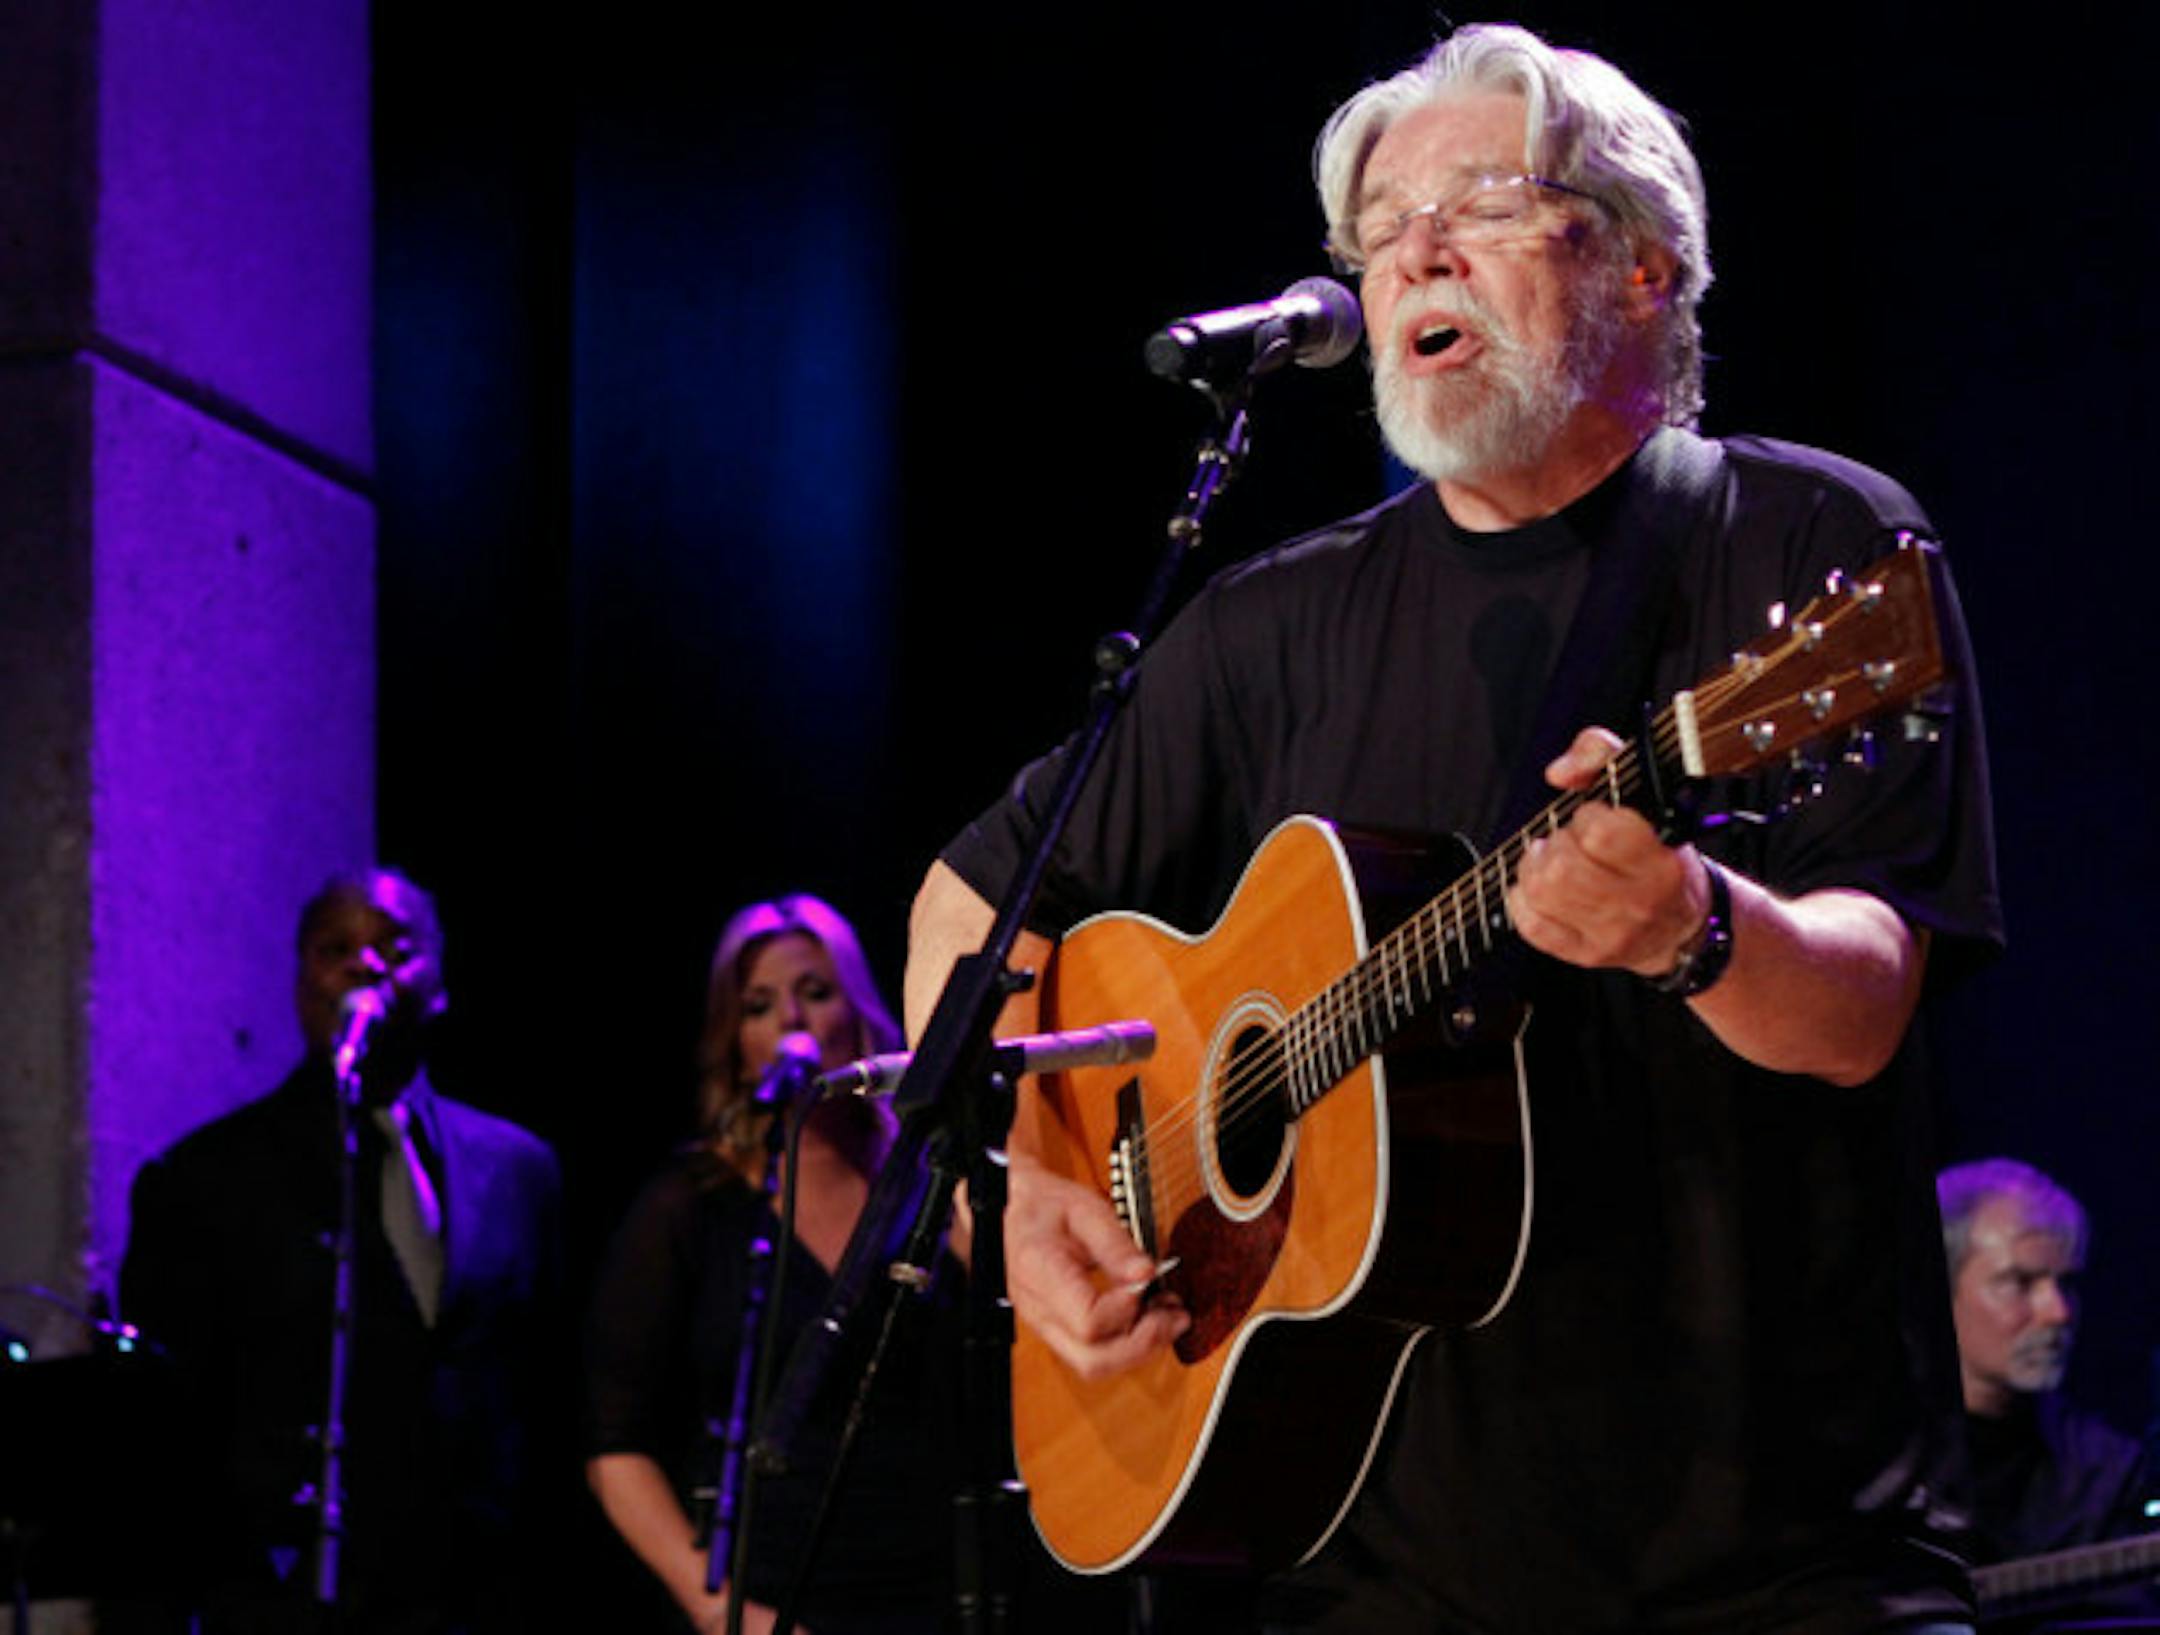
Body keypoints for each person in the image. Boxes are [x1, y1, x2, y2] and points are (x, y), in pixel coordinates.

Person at [907, 21, 2001, 1635]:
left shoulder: (1813, 545)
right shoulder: (1269, 623)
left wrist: (1696, 928)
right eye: (1379, 229)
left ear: (1641, 267)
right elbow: (966, 904)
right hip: (1374, 1578)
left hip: (1776, 1569)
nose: (1412, 251)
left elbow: (1866, 1005)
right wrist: (1029, 1179)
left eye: (1480, 200)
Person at [119, 867, 564, 1633]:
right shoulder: (205, 1178)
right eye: (336, 949)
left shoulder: (518, 1169)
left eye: (395, 947)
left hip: (471, 1596)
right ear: (301, 983)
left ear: (441, 982)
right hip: (283, 1602)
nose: (366, 966)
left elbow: (544, 1390)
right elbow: (166, 1429)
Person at [583, 894, 958, 1635]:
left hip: (932, 1587)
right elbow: (615, 1443)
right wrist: (722, 1609)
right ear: (735, 1038)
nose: (790, 1020)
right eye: (758, 1004)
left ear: (856, 1013)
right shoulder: (691, 1208)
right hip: (772, 1603)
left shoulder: (932, 1182)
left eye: (815, 992)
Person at [1937, 1159, 2158, 1624]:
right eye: (2020, 1283)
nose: (2057, 1312)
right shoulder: (1871, 1471)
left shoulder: (2107, 1473)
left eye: (2066, 1283)